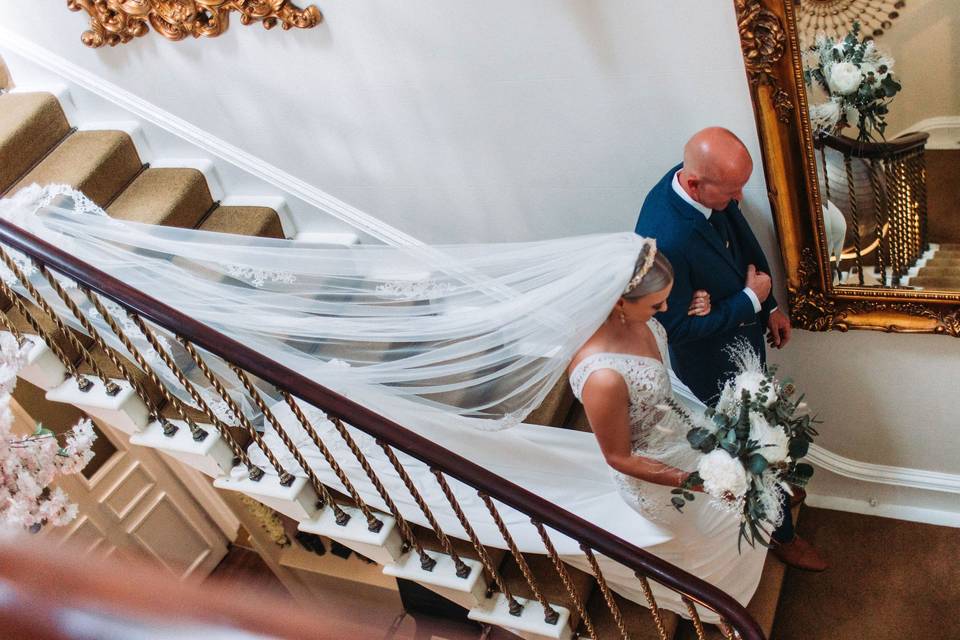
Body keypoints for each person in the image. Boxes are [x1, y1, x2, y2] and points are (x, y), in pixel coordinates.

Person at [634, 126, 827, 572]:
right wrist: (747, 300)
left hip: (744, 334)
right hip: (711, 366)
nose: (740, 197)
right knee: (748, 445)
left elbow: (742, 238)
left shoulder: (696, 182)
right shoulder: (665, 239)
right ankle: (782, 534)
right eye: (732, 190)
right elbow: (677, 328)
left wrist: (768, 305)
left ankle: (777, 479)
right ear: (696, 185)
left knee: (770, 426)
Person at [567, 243, 767, 618]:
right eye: (656, 305)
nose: (665, 311)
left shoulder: (639, 320)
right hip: (654, 472)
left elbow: (662, 387)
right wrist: (694, 480)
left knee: (744, 492)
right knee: (710, 528)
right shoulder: (603, 378)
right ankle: (713, 605)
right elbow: (618, 457)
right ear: (618, 304)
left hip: (680, 430)